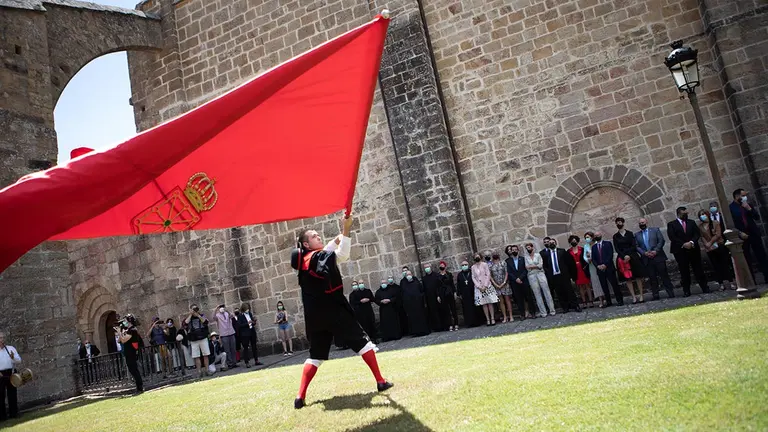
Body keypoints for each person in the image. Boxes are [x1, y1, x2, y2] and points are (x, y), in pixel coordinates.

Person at [290, 214, 392, 409]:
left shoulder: (305, 261)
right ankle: (380, 381)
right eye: (314, 236)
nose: (318, 236)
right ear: (306, 243)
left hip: (315, 317)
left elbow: (327, 250)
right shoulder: (318, 257)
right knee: (363, 343)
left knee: (315, 356)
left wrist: (338, 237)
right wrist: (346, 229)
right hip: (334, 310)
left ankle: (299, 397)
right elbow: (341, 255)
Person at [667, 206, 709, 296]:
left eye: (686, 213)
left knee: (698, 269)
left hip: (693, 248)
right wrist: (684, 244)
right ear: (679, 213)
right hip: (680, 250)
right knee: (684, 271)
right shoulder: (672, 224)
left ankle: (704, 287)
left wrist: (691, 242)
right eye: (684, 213)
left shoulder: (691, 222)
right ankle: (686, 290)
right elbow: (672, 237)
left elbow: (696, 234)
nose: (686, 215)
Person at [730, 188, 768, 280]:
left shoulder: (747, 205)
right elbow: (731, 223)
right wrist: (739, 233)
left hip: (753, 233)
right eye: (743, 195)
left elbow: (756, 217)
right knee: (746, 258)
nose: (745, 197)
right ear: (737, 196)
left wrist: (749, 208)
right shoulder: (731, 208)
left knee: (761, 255)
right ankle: (751, 280)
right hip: (742, 235)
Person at [635, 219, 675, 300]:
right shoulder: (636, 234)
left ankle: (670, 292)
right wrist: (644, 253)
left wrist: (655, 251)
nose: (641, 224)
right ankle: (655, 294)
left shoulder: (655, 230)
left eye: (642, 222)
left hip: (658, 257)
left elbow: (661, 241)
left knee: (664, 276)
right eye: (640, 223)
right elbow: (636, 246)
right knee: (652, 277)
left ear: (646, 222)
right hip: (647, 259)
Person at [541, 239, 582, 313]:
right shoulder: (546, 255)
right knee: (559, 293)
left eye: (553, 242)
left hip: (564, 275)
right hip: (554, 276)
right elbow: (545, 266)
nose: (551, 244)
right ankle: (565, 307)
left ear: (556, 243)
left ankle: (575, 306)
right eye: (550, 243)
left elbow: (569, 263)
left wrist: (570, 274)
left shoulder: (562, 251)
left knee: (569, 291)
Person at [698, 210, 734, 291]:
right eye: (701, 215)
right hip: (710, 249)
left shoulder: (715, 223)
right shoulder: (700, 226)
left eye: (704, 214)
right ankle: (721, 284)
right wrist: (706, 244)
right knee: (716, 266)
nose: (703, 216)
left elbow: (718, 234)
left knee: (725, 264)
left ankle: (731, 282)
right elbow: (702, 236)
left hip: (719, 245)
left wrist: (710, 242)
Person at [613, 217, 646, 304]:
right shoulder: (615, 236)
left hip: (633, 256)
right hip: (622, 258)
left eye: (620, 222)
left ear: (623, 223)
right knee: (628, 278)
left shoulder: (630, 233)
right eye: (617, 223)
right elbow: (617, 248)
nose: (619, 224)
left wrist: (629, 255)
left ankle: (641, 295)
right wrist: (624, 256)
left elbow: (633, 245)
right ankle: (634, 297)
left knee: (638, 276)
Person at [591, 231, 624, 306]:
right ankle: (608, 302)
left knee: (614, 285)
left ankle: (619, 300)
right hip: (600, 270)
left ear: (601, 235)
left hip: (609, 268)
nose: (597, 236)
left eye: (598, 235)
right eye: (595, 235)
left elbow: (610, 255)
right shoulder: (594, 247)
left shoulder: (607, 243)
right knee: (604, 286)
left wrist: (605, 264)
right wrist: (598, 266)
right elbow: (593, 259)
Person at [524, 242, 555, 317]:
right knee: (537, 294)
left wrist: (532, 266)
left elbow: (540, 265)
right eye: (527, 248)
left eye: (529, 247)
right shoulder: (526, 257)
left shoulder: (538, 255)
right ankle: (543, 312)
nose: (528, 249)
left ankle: (552, 310)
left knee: (546, 292)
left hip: (540, 274)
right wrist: (535, 266)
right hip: (531, 276)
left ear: (532, 247)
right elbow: (527, 267)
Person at [115, 314, 143, 394]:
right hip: (127, 352)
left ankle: (140, 387)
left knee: (134, 369)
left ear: (129, 321)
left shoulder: (133, 330)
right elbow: (119, 340)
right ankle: (138, 387)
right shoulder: (127, 330)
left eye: (125, 321)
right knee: (131, 369)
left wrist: (119, 332)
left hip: (132, 351)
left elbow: (124, 340)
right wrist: (120, 332)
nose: (124, 322)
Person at [505, 244, 535, 319]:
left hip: (524, 281)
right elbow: (509, 272)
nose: (514, 251)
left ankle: (532, 313)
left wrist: (520, 278)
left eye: (516, 250)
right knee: (519, 299)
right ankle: (522, 314)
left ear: (518, 250)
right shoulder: (508, 261)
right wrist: (516, 279)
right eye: (513, 250)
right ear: (511, 251)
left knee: (528, 297)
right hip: (515, 283)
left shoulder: (523, 259)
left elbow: (525, 270)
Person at [472, 252, 499, 326]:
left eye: (478, 256)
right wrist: (479, 286)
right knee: (483, 304)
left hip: (487, 286)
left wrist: (485, 285)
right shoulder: (473, 267)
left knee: (489, 302)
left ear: (480, 257)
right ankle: (487, 319)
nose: (477, 257)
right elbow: (473, 277)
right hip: (479, 288)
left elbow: (488, 274)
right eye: (475, 256)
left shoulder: (485, 264)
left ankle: (492, 318)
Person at [401, 270, 431, 336]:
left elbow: (422, 291)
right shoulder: (404, 285)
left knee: (421, 318)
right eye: (407, 275)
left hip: (419, 304)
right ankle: (415, 332)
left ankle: (423, 331)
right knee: (413, 319)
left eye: (409, 274)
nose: (408, 276)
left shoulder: (416, 282)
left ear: (412, 275)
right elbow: (404, 296)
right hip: (410, 306)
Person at [184, 304, 211, 378]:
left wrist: (198, 315)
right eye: (193, 309)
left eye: (195, 309)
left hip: (203, 337)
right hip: (194, 339)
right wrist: (191, 314)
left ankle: (207, 370)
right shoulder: (189, 318)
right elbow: (185, 323)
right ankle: (199, 372)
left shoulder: (202, 315)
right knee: (196, 356)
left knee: (205, 354)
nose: (194, 310)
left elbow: (205, 322)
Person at [0, 332, 21, 421]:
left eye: (2, 338)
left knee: (12, 394)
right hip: (0, 374)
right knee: (0, 395)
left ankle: (14, 413)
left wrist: (13, 358)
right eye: (0, 338)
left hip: (11, 373)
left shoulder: (10, 348)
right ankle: (2, 416)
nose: (1, 340)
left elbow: (19, 360)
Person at [568, 235, 593, 308]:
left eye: (575, 240)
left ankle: (591, 301)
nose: (574, 241)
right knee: (580, 286)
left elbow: (586, 258)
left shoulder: (582, 249)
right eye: (572, 240)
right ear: (570, 242)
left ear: (577, 241)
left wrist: (584, 265)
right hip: (576, 271)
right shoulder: (568, 251)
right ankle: (584, 302)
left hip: (583, 269)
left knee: (587, 285)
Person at [582, 232, 606, 307]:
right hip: (591, 266)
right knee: (595, 282)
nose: (587, 239)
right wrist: (587, 260)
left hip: (599, 264)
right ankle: (600, 300)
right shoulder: (586, 246)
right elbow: (585, 256)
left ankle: (606, 298)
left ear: (592, 237)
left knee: (602, 281)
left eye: (588, 237)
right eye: (586, 237)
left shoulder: (596, 243)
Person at [489, 252, 513, 322]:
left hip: (505, 284)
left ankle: (511, 316)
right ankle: (505, 316)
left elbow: (506, 273)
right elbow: (490, 276)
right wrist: (495, 284)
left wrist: (504, 282)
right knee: (501, 301)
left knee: (507, 300)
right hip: (496, 285)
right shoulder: (491, 266)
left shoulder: (503, 263)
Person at [237, 303, 263, 367]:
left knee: (254, 346)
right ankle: (247, 362)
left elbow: (252, 322)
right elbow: (240, 325)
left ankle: (256, 360)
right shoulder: (240, 315)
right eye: (246, 309)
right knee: (246, 348)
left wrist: (254, 322)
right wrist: (247, 323)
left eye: (248, 309)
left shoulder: (250, 313)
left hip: (252, 331)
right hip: (245, 333)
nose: (247, 310)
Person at [421, 264, 445, 332]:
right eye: (425, 268)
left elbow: (439, 286)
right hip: (429, 298)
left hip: (437, 296)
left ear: (430, 267)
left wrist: (438, 295)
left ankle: (443, 326)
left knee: (440, 311)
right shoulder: (424, 278)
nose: (427, 268)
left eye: (427, 267)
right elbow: (424, 289)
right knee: (433, 313)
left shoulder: (436, 275)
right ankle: (437, 327)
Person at [456, 260, 479, 327]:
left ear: (468, 265)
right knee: (466, 309)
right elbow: (458, 284)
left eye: (465, 265)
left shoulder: (472, 272)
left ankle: (476, 322)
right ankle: (468, 323)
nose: (464, 266)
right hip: (464, 294)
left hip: (473, 292)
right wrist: (459, 293)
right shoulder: (460, 275)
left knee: (474, 307)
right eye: (463, 265)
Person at [437, 261, 458, 331]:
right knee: (446, 310)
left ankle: (456, 324)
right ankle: (450, 324)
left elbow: (452, 284)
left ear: (445, 266)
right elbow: (437, 287)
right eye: (440, 265)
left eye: (443, 265)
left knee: (453, 309)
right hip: (443, 294)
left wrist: (455, 292)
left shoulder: (449, 274)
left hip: (450, 292)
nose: (441, 266)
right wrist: (438, 295)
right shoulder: (438, 276)